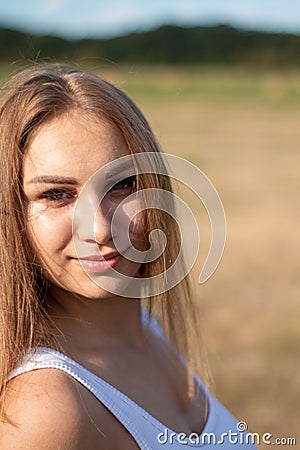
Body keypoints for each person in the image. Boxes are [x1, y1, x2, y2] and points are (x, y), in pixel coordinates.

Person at [0, 63, 257, 449]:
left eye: (122, 184)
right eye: (57, 194)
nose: (101, 229)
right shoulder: (47, 411)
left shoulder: (146, 328)